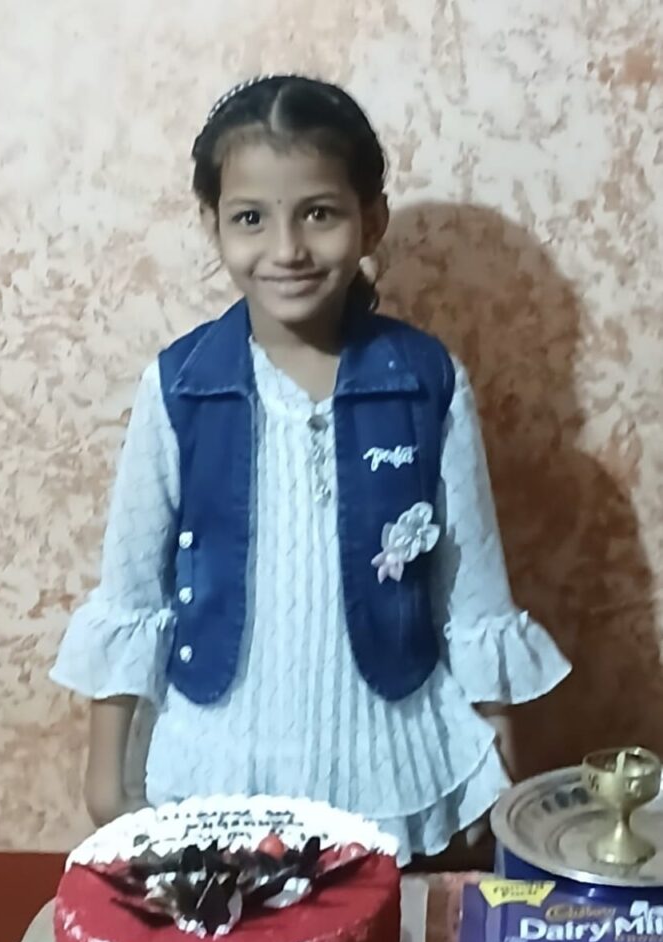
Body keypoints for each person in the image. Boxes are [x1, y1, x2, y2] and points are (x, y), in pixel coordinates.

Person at [51, 75, 571, 865]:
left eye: (318, 213)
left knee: (381, 938)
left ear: (370, 221)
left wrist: (492, 745)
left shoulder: (426, 381)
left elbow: (470, 586)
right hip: (222, 751)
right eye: (250, 219)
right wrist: (105, 771)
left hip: (387, 749)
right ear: (212, 224)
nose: (287, 249)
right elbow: (133, 587)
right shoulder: (181, 386)